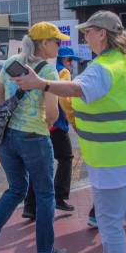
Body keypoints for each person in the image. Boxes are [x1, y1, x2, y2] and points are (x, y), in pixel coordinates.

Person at [13, 11, 126, 253]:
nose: (85, 37)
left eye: (89, 31)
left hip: (109, 159)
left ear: (103, 34)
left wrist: (42, 84)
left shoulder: (102, 68)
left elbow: (76, 89)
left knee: (109, 223)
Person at [0, 22, 69, 253]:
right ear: (44, 44)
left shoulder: (10, 62)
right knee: (46, 193)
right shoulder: (48, 72)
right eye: (56, 41)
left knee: (16, 189)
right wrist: (41, 120)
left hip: (6, 137)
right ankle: (45, 252)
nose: (59, 45)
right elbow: (51, 115)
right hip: (33, 136)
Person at [22, 46, 80, 218]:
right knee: (66, 158)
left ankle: (29, 206)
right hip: (56, 124)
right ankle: (60, 197)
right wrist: (73, 120)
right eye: (70, 61)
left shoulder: (42, 69)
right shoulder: (63, 73)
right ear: (64, 60)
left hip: (39, 123)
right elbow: (64, 100)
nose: (71, 65)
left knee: (38, 165)